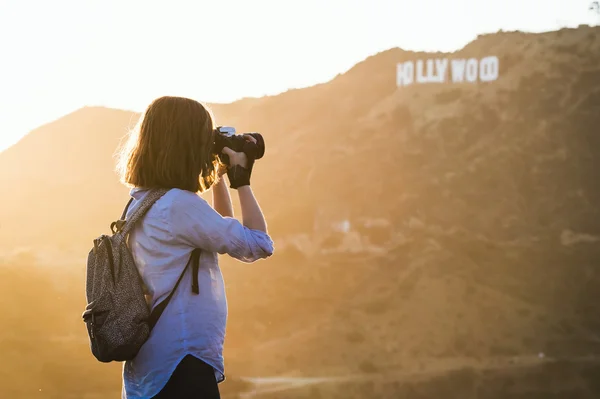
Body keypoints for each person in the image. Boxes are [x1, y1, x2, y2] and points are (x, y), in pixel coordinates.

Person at [116, 96, 274, 399]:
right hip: (182, 359)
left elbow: (220, 230)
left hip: (151, 363)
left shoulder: (143, 201)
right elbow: (257, 244)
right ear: (188, 144)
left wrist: (217, 178)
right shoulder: (178, 206)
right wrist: (242, 182)